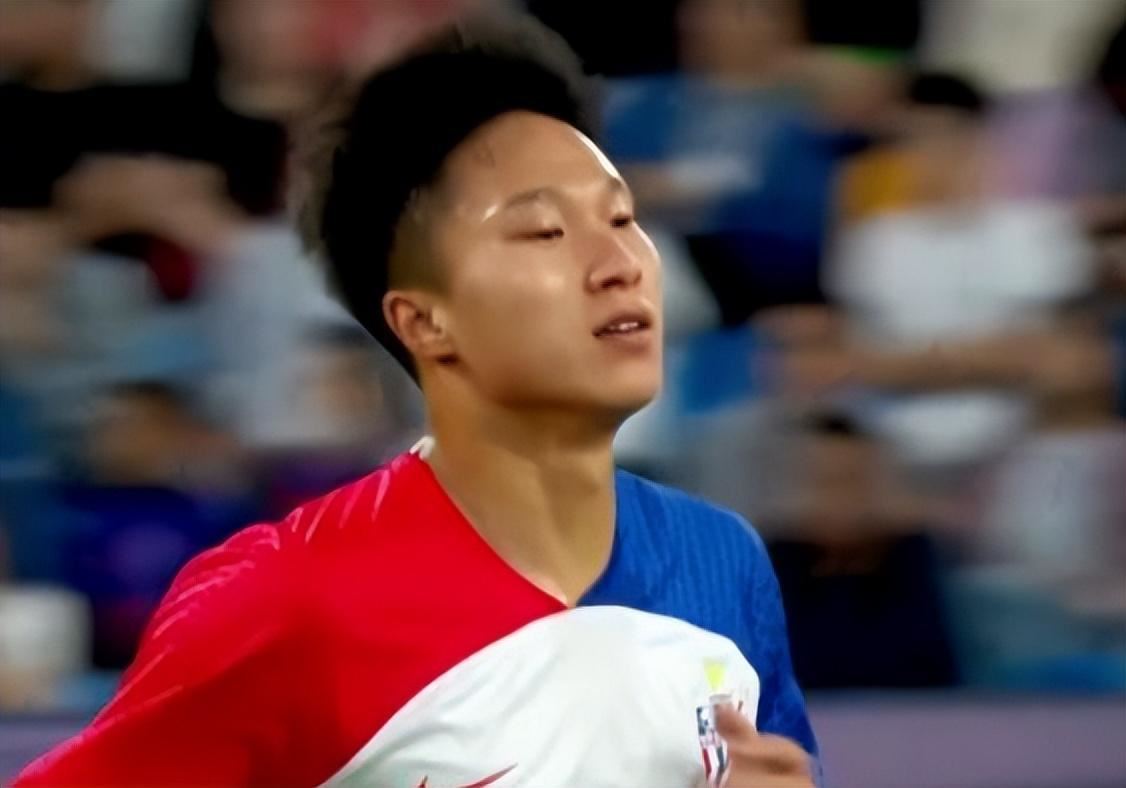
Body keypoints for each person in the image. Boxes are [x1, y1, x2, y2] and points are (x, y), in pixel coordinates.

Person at [15, 14, 819, 788]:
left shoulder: (724, 564)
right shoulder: (289, 596)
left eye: (622, 216)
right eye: (544, 231)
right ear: (425, 322)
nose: (621, 263)